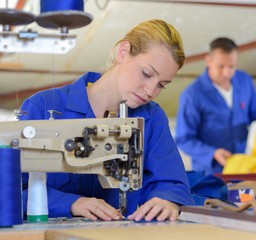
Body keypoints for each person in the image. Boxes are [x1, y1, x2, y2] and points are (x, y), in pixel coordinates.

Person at [20, 19, 194, 222]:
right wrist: (71, 203)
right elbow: (6, 188)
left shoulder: (152, 118)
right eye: (146, 74)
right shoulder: (43, 107)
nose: (150, 91)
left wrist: (168, 200)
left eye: (161, 85)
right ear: (123, 52)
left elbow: (171, 183)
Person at [175, 37, 256, 175]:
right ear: (208, 61)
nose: (226, 73)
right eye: (221, 66)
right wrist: (213, 153)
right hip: (209, 174)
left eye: (231, 66)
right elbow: (184, 139)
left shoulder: (246, 81)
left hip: (245, 169)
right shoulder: (192, 95)